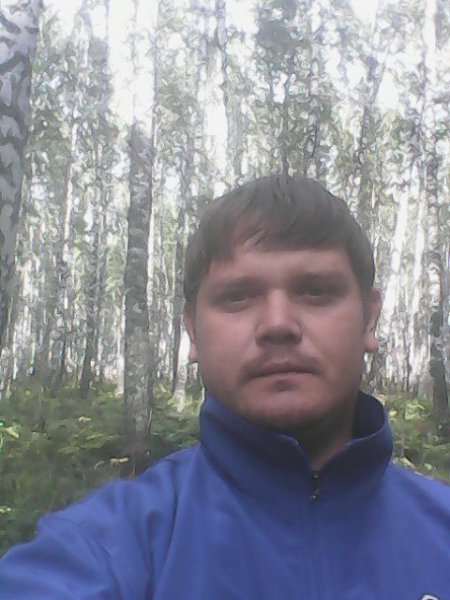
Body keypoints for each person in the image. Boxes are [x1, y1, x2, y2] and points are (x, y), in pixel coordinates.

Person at [0, 175, 449, 599]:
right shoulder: (105, 546)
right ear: (193, 330)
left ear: (369, 318)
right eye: (238, 296)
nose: (278, 324)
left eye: (315, 291)